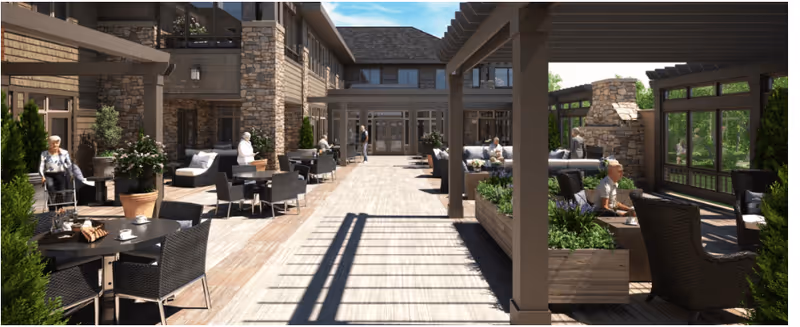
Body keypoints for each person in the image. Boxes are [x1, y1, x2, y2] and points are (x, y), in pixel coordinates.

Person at [40, 135, 73, 212]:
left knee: (60, 192)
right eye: (53, 143)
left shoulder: (64, 153)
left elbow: (69, 164)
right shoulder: (44, 154)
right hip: (49, 175)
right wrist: (42, 176)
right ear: (49, 143)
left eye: (57, 143)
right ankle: (51, 209)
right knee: (51, 190)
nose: (55, 145)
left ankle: (59, 208)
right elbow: (41, 166)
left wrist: (71, 174)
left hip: (60, 174)